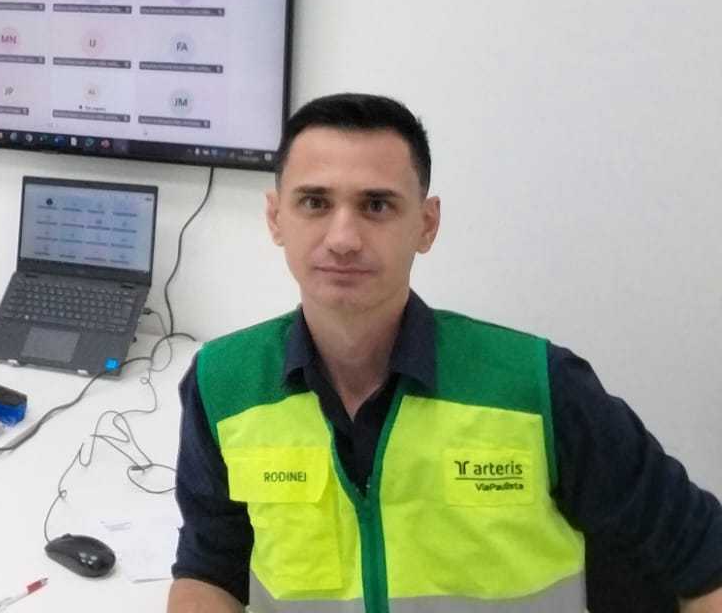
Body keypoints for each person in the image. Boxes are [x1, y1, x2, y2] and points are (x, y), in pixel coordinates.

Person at [168, 93, 722, 613]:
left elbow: (705, 560)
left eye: (376, 205)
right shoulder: (222, 383)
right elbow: (210, 569)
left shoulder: (540, 386)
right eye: (315, 202)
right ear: (276, 218)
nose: (343, 238)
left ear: (426, 225)